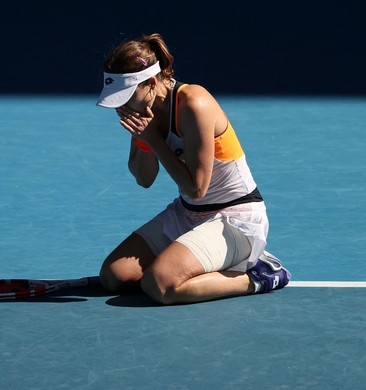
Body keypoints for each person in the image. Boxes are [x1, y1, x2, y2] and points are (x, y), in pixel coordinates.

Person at [96, 33, 290, 305]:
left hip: (234, 219)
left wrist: (153, 138)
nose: (120, 106)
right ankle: (199, 258)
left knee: (159, 285)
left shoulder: (195, 103)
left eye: (125, 96)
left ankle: (258, 276)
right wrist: (143, 138)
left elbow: (196, 189)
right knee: (114, 276)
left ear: (151, 83)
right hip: (187, 215)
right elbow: (144, 179)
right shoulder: (144, 111)